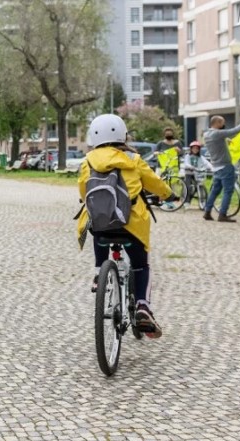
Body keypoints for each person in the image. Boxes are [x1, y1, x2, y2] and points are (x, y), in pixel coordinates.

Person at [77, 114, 173, 337]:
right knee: (141, 265)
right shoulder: (133, 159)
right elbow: (154, 183)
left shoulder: (88, 161)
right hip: (131, 226)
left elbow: (83, 191)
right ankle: (142, 305)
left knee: (96, 224)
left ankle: (100, 270)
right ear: (122, 134)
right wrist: (168, 194)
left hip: (102, 226)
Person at [202, 115, 240, 223]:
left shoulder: (207, 134)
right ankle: (222, 214)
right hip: (225, 166)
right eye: (222, 123)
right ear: (218, 123)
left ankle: (207, 212)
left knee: (215, 191)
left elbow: (218, 141)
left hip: (216, 167)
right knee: (228, 191)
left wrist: (225, 140)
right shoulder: (217, 133)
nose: (224, 125)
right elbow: (235, 130)